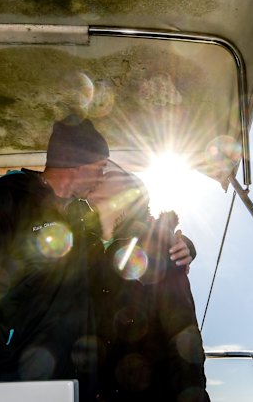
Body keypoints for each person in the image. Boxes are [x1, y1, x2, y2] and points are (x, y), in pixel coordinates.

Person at [0, 115, 195, 401]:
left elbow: (127, 237)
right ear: (77, 164)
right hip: (12, 377)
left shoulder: (80, 218)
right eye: (99, 169)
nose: (101, 178)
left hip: (74, 384)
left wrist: (180, 243)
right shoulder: (4, 204)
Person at [87, 169, 210, 402]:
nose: (97, 178)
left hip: (152, 390)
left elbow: (183, 332)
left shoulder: (161, 245)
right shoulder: (82, 245)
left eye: (107, 176)